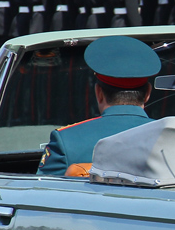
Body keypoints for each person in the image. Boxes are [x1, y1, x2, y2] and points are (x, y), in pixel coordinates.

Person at [38, 35, 161, 177]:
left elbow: (45, 194)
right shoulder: (172, 137)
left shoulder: (66, 139)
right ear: (148, 94)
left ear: (99, 93)